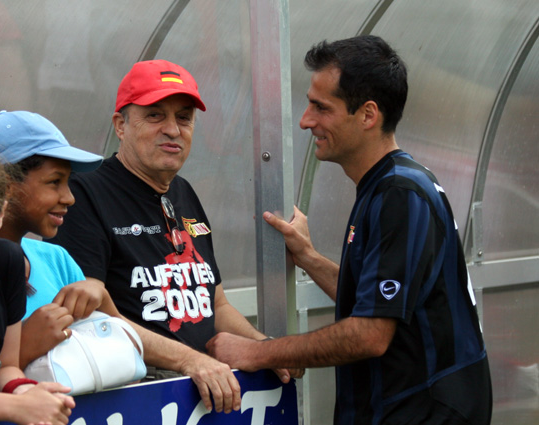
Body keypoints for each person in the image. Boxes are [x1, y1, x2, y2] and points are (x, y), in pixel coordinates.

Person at [206, 35, 493, 424]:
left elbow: (369, 334)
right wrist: (309, 258)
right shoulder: (389, 184)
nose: (306, 120)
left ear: (368, 115)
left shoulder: (399, 193)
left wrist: (255, 352)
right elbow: (380, 300)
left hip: (424, 414)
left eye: (321, 107)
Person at [50, 59, 299, 414]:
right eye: (154, 115)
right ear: (121, 125)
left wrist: (264, 348)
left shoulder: (183, 191)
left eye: (184, 118)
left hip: (204, 389)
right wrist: (190, 361)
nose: (172, 129)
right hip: (136, 398)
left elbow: (216, 304)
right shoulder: (85, 193)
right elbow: (92, 317)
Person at [0, 110, 119, 370]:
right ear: (6, 187)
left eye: (68, 182)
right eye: (54, 182)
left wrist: (104, 302)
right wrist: (24, 346)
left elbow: (119, 353)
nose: (69, 198)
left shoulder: (57, 259)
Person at [0, 148, 75, 425]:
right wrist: (14, 406)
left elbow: (3, 365)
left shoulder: (7, 261)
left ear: (0, 214)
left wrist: (25, 391)